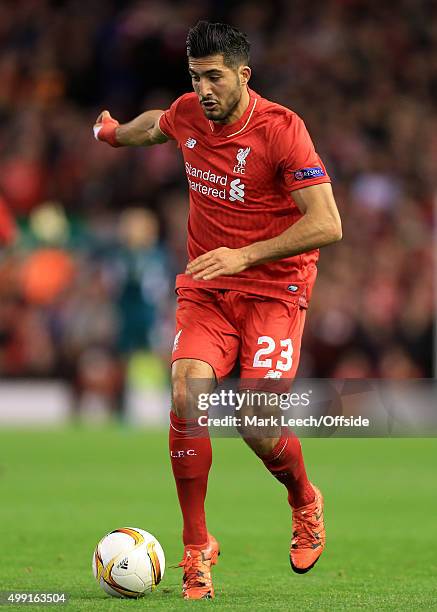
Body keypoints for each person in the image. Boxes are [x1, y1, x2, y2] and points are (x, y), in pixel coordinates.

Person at [94, 20, 342, 600]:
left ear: (242, 75)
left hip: (276, 291)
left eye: (213, 77)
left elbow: (327, 223)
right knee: (186, 392)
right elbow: (153, 126)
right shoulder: (187, 114)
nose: (203, 90)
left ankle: (304, 500)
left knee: (254, 423)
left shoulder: (283, 131)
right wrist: (108, 132)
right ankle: (196, 547)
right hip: (207, 289)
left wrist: (246, 255)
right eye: (195, 77)